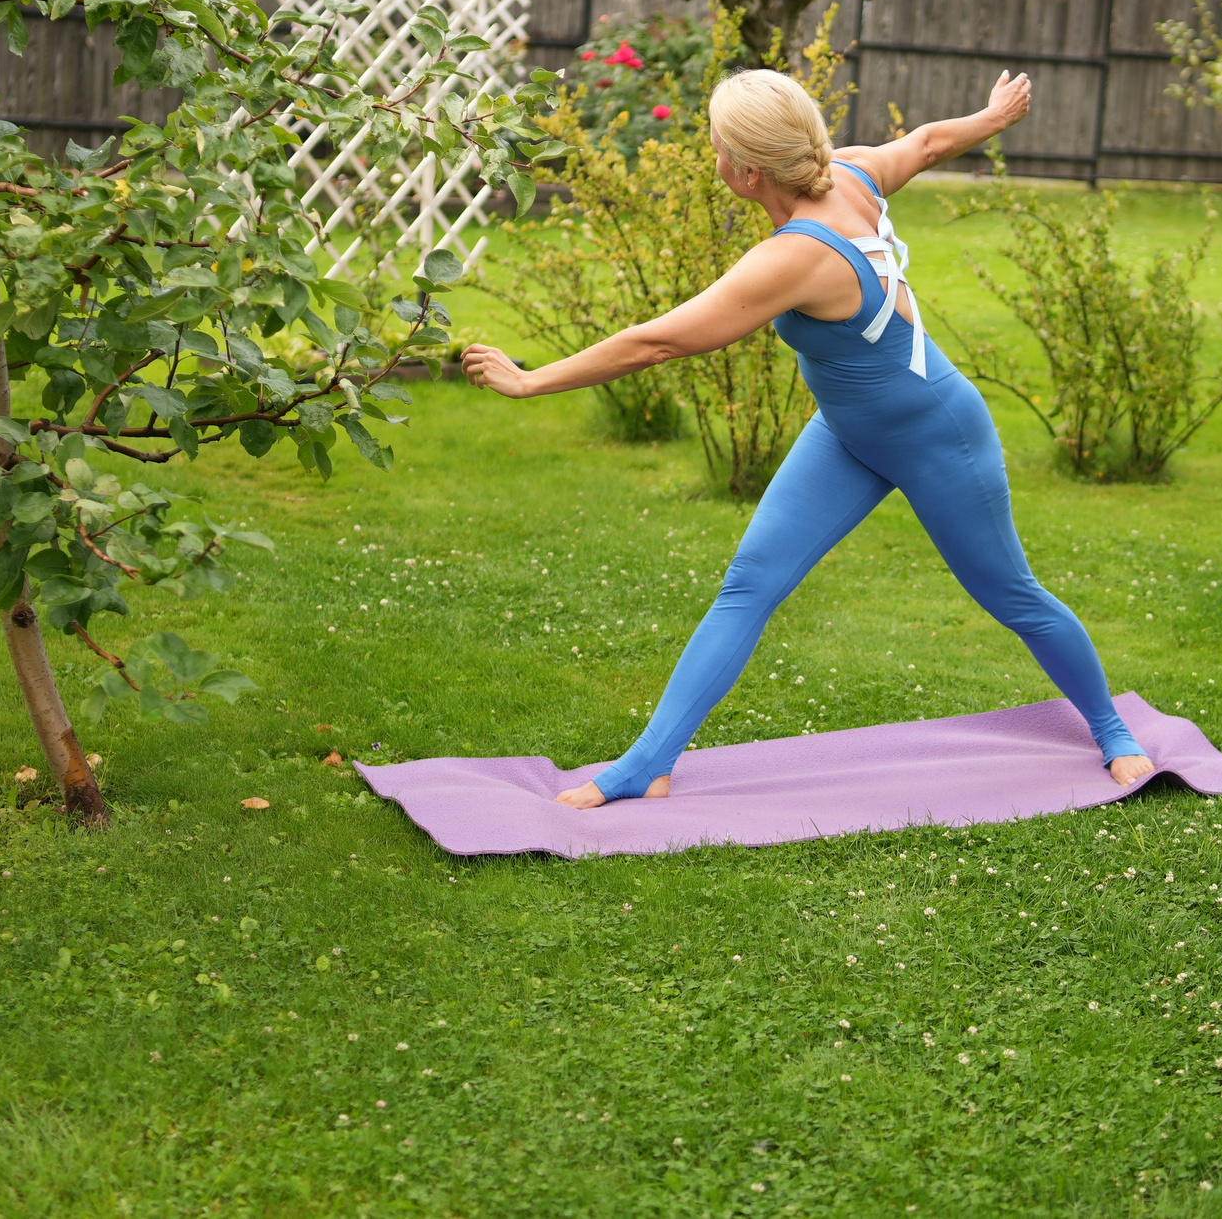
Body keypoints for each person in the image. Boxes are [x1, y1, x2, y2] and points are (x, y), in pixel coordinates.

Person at [462, 69, 1154, 807]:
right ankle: (646, 763)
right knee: (750, 583)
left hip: (937, 435)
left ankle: (1113, 731)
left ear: (748, 169)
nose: (713, 156)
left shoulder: (796, 255)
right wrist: (989, 117)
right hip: (848, 433)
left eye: (717, 145)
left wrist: (533, 381)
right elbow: (922, 143)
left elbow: (657, 343)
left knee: (1012, 593)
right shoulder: (851, 169)